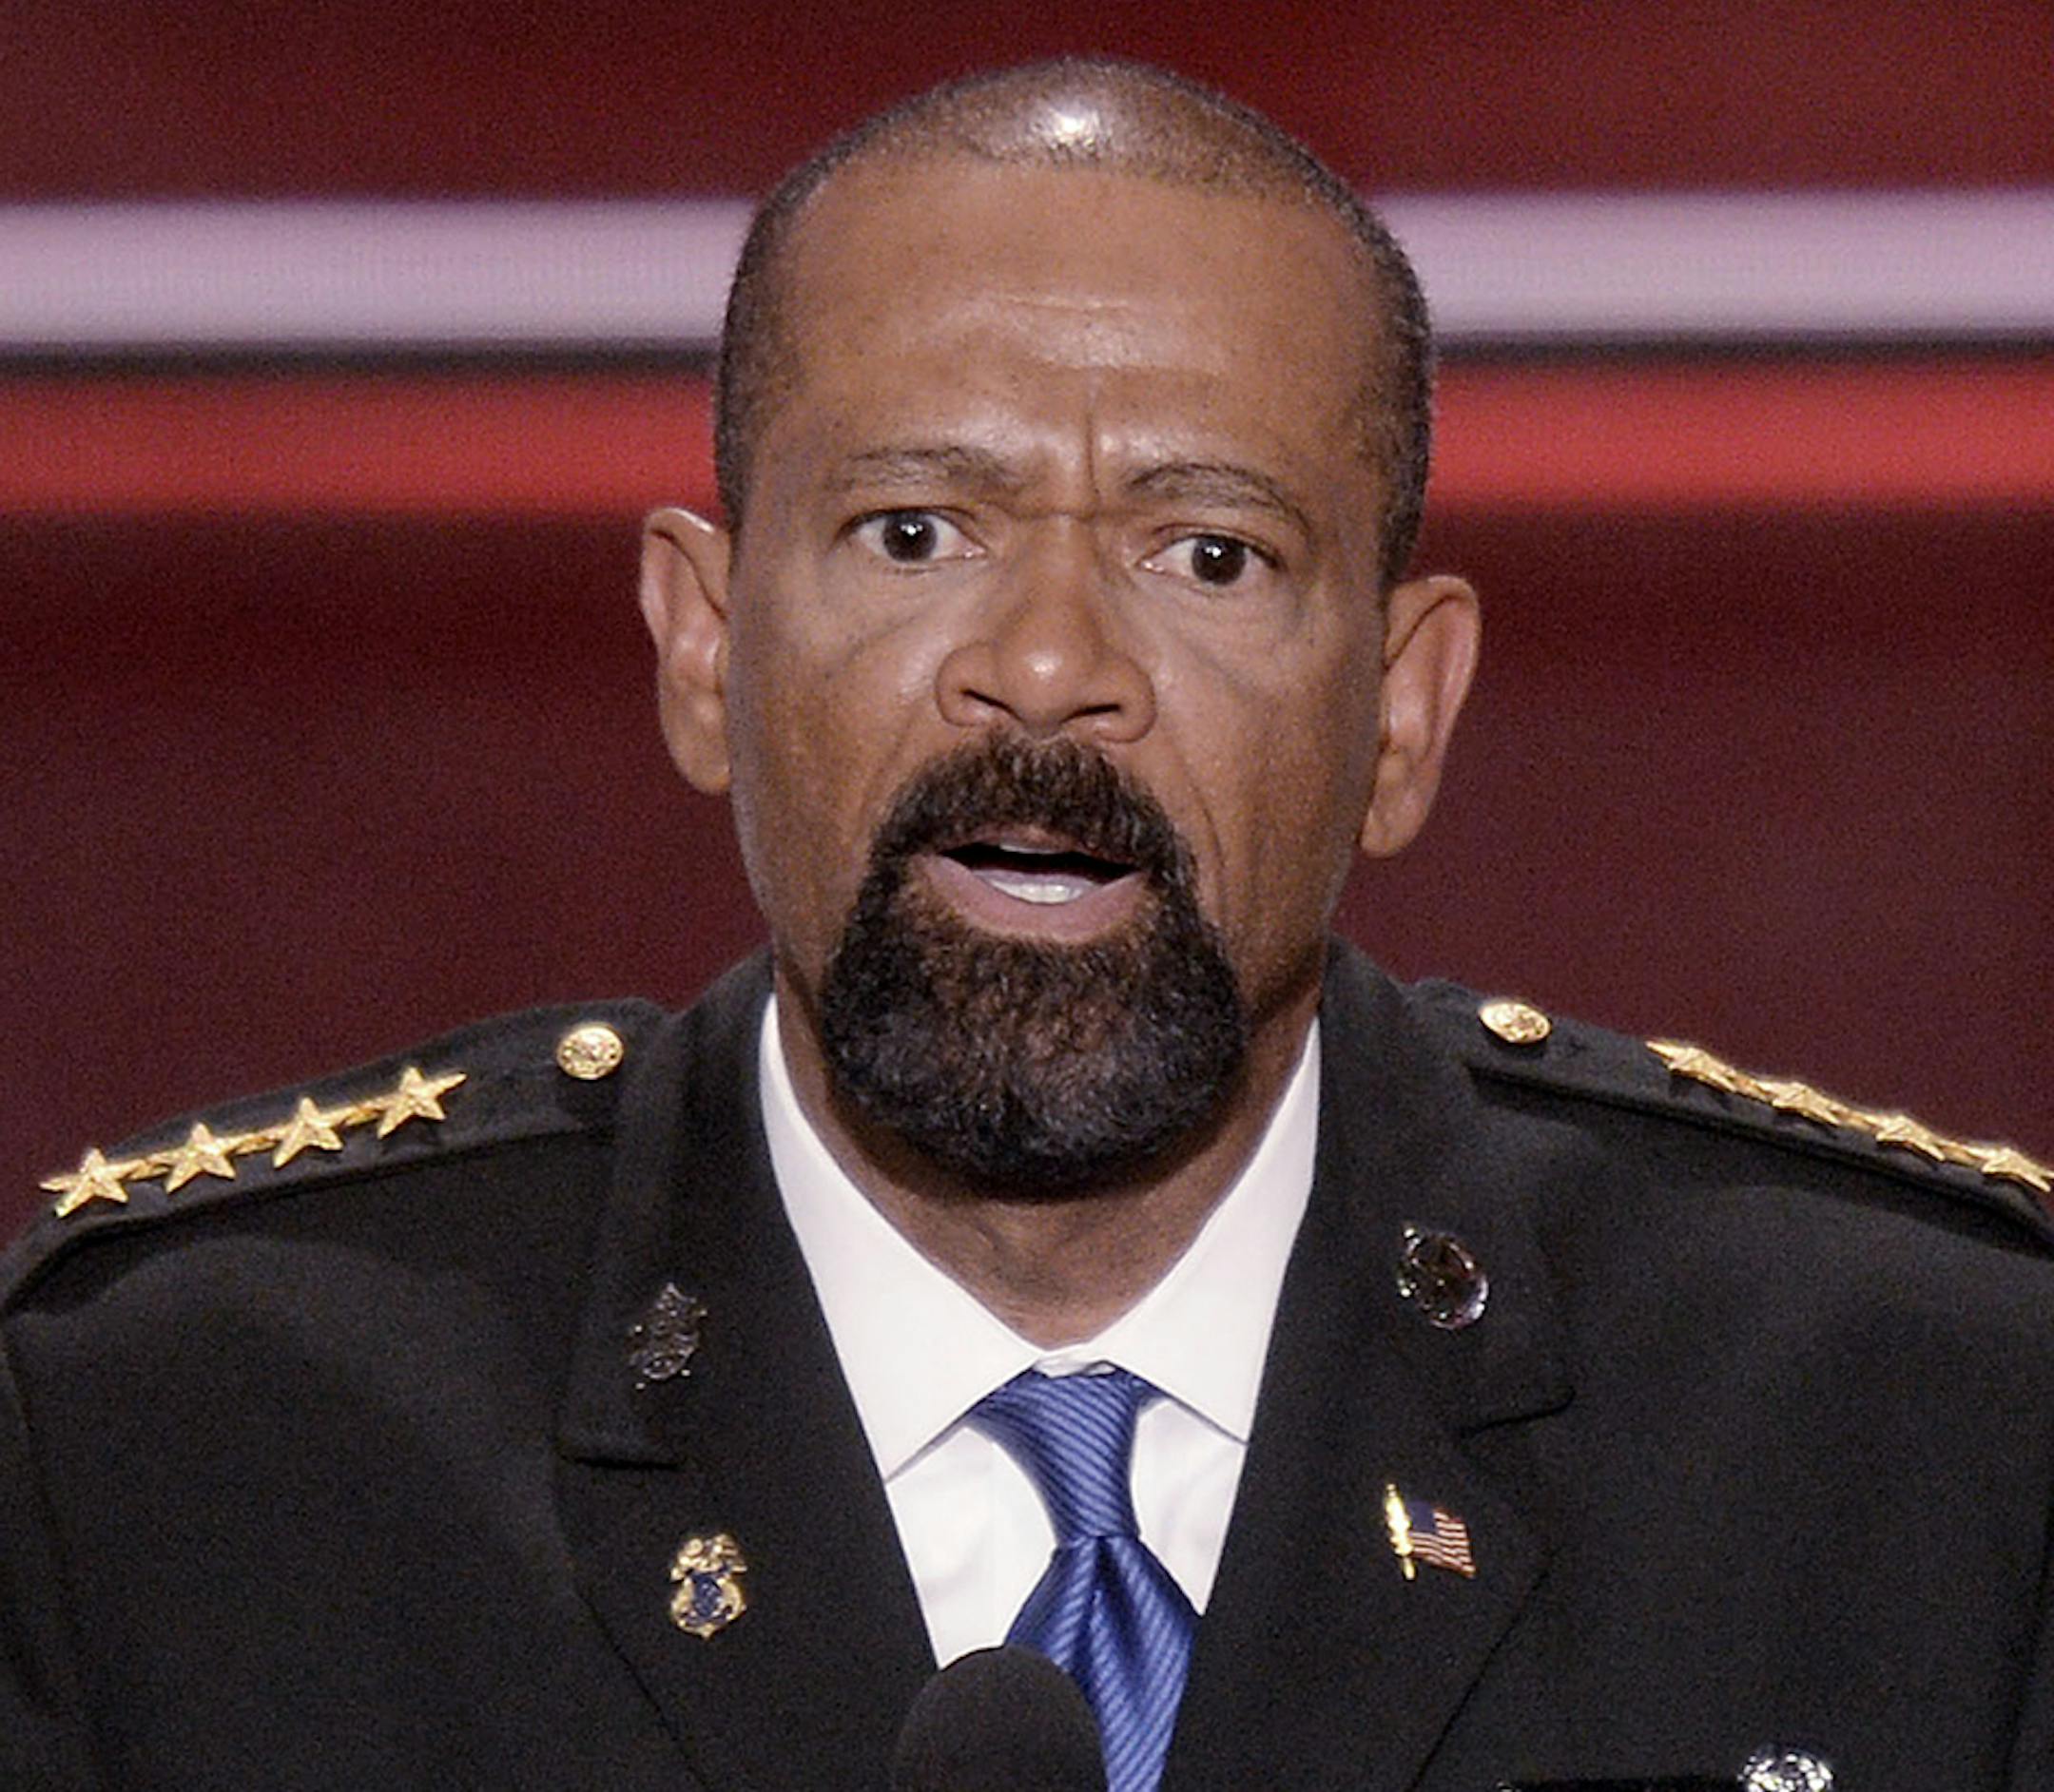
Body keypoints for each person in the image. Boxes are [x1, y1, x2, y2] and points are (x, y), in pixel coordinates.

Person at [4, 57, 2050, 1792]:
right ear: (704, 648)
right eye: (915, 533)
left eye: (1210, 553)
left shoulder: (1927, 1431)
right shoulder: (163, 1452)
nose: (1052, 667)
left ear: (1404, 710)